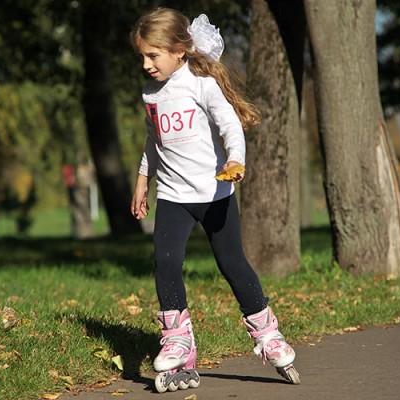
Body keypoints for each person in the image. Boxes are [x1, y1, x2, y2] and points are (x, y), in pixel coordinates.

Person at [130, 7, 300, 393]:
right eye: (141, 56)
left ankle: (268, 334)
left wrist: (236, 159)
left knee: (232, 264)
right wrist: (142, 178)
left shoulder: (201, 84)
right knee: (165, 262)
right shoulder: (150, 93)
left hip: (214, 193)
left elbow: (229, 126)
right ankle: (178, 340)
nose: (146, 64)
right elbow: (152, 140)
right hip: (173, 196)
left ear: (179, 50)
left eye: (153, 55)